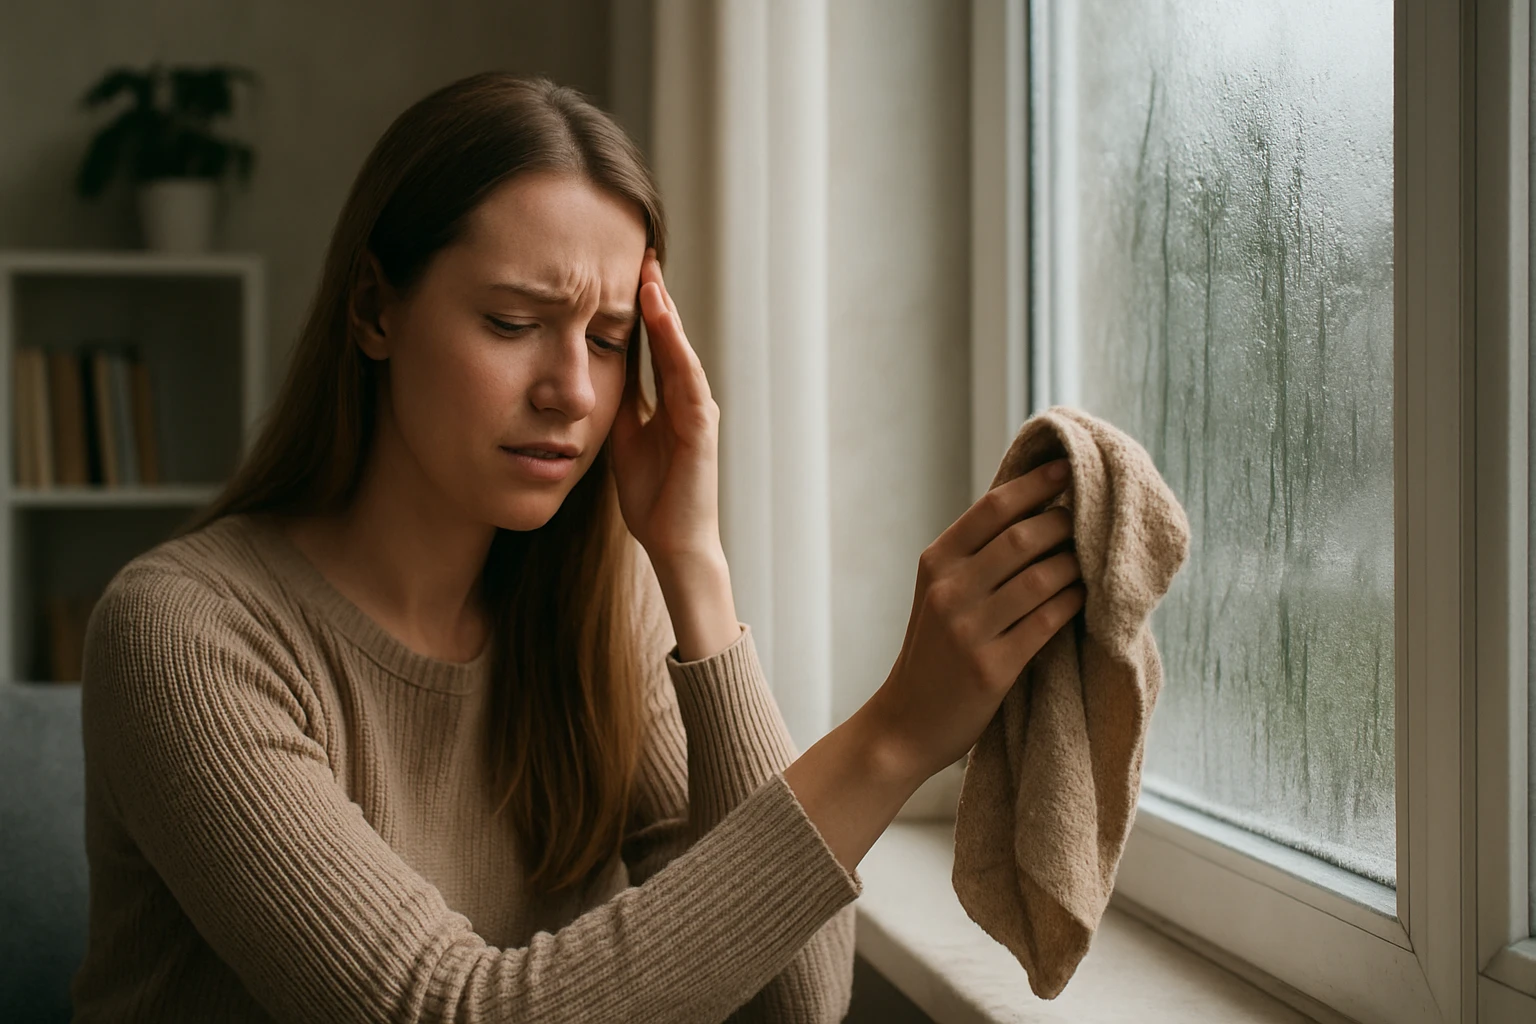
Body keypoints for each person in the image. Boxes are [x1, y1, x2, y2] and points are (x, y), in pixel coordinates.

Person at [69, 73, 1084, 1023]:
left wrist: (692, 562)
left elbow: (795, 1003)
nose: (575, 392)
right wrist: (896, 734)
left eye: (605, 339)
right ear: (375, 307)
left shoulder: (599, 610)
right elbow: (448, 1008)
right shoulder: (182, 632)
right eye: (515, 322)